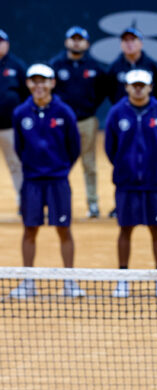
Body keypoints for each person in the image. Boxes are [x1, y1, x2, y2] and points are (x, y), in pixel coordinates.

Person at [10, 64, 82, 298]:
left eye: (44, 81)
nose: (39, 86)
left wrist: (59, 169)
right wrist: (34, 168)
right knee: (30, 230)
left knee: (63, 229)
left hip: (58, 181)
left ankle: (69, 282)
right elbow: (19, 148)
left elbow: (74, 148)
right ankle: (28, 282)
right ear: (28, 84)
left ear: (52, 83)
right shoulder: (20, 113)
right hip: (31, 181)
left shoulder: (64, 112)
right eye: (34, 81)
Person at [104, 69, 157, 298]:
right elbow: (110, 148)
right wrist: (125, 168)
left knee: (156, 230)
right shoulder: (116, 113)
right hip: (126, 184)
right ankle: (123, 279)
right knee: (125, 229)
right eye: (133, 84)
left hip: (154, 184)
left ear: (150, 87)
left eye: (142, 85)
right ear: (126, 87)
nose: (137, 88)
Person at [50, 26, 108, 218]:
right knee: (60, 163)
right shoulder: (56, 65)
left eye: (80, 39)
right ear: (66, 42)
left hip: (87, 121)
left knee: (89, 164)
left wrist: (90, 107)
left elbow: (102, 91)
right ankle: (58, 202)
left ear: (87, 43)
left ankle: (93, 204)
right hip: (62, 124)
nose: (76, 42)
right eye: (72, 39)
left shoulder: (94, 67)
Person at [0, 29, 28, 212]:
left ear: (7, 44)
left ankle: (24, 202)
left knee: (16, 164)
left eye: (0, 41)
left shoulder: (17, 66)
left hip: (9, 126)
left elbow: (27, 93)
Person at [106, 27, 157, 106]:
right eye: (125, 40)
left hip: (148, 110)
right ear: (121, 44)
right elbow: (109, 90)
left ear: (141, 43)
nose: (129, 43)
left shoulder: (150, 65)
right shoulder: (115, 66)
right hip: (122, 112)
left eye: (133, 39)